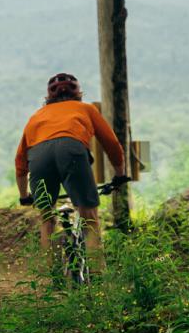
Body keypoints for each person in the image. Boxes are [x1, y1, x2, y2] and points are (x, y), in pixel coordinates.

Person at [16, 72, 128, 255]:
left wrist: (24, 195)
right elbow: (111, 143)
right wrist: (120, 174)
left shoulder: (36, 116)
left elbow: (20, 160)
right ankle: (97, 274)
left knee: (47, 219)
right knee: (89, 216)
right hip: (72, 150)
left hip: (38, 158)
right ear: (78, 93)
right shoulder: (86, 108)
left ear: (49, 96)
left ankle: (50, 277)